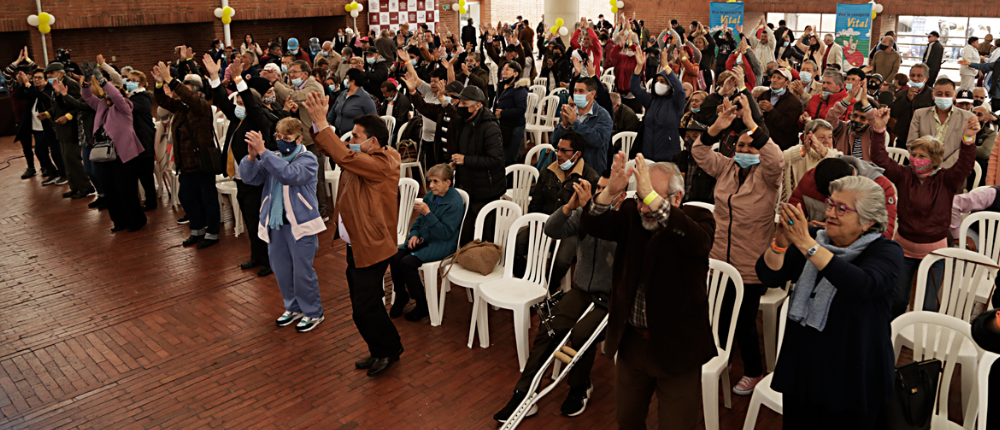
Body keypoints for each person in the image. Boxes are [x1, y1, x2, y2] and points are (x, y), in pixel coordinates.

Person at [580, 152, 716, 429]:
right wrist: (610, 191)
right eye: (640, 198)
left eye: (651, 198)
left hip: (677, 350)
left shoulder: (699, 219)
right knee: (627, 420)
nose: (643, 207)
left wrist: (651, 198)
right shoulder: (633, 214)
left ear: (676, 198)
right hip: (633, 344)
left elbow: (698, 243)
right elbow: (593, 223)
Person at [757, 175, 901, 429]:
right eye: (830, 204)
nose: (831, 213)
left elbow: (863, 284)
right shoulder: (815, 237)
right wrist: (780, 244)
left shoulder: (885, 251)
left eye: (842, 208)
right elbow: (770, 275)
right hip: (804, 361)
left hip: (852, 367)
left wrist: (806, 244)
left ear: (868, 221)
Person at [493, 171, 619, 423]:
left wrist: (595, 215)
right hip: (582, 290)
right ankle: (524, 392)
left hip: (610, 299)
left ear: (621, 194)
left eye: (608, 191)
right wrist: (570, 207)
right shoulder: (584, 213)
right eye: (598, 190)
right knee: (549, 325)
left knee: (582, 334)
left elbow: (612, 248)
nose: (600, 195)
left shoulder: (625, 222)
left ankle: (580, 386)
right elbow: (551, 229)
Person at [304, 93, 404, 376]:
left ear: (373, 141)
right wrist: (317, 123)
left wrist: (325, 123)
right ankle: (380, 349)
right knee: (364, 304)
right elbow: (332, 150)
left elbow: (342, 154)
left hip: (372, 245)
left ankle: (388, 349)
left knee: (365, 307)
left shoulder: (382, 162)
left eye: (357, 136)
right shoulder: (359, 155)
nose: (351, 140)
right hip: (357, 243)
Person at [692, 94, 783, 395]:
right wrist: (717, 127)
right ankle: (725, 359)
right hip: (719, 256)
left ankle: (755, 371)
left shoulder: (768, 178)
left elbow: (777, 159)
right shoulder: (726, 168)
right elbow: (699, 151)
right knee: (718, 313)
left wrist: (751, 124)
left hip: (751, 261)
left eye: (750, 147)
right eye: (741, 146)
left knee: (744, 321)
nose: (745, 150)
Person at [868, 106, 978, 318]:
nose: (916, 159)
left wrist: (968, 139)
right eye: (914, 154)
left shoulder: (947, 179)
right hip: (903, 247)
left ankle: (922, 346)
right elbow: (880, 159)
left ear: (936, 160)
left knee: (928, 305)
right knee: (897, 300)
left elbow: (965, 165)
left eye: (923, 155)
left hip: (936, 250)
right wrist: (880, 130)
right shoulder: (903, 174)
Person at [239, 119, 325, 333]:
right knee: (281, 270)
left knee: (302, 272)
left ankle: (313, 312)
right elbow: (249, 177)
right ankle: (293, 307)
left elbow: (288, 175)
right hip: (276, 224)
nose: (281, 142)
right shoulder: (273, 158)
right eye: (278, 137)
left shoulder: (308, 159)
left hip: (301, 225)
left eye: (287, 138)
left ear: (299, 139)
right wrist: (252, 156)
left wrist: (263, 152)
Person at [203, 54, 275, 277]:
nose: (239, 106)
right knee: (249, 219)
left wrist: (239, 81)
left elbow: (252, 106)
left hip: (257, 178)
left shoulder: (259, 117)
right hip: (241, 177)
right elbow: (223, 101)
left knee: (260, 220)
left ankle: (269, 260)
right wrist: (215, 77)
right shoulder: (238, 118)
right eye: (239, 103)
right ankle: (256, 255)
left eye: (243, 103)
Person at [152, 57, 222, 248]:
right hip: (186, 163)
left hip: (201, 162)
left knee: (208, 199)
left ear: (197, 92)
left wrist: (171, 80)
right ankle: (197, 230)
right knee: (187, 197)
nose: (181, 92)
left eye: (186, 88)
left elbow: (187, 96)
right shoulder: (182, 109)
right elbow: (162, 100)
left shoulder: (202, 107)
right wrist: (160, 82)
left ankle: (212, 233)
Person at [388, 164, 464, 322]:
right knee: (395, 257)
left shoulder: (454, 203)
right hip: (425, 238)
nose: (430, 185)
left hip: (442, 244)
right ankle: (402, 296)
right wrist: (414, 235)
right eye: (430, 181)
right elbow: (418, 222)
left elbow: (445, 234)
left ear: (447, 183)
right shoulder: (430, 196)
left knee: (408, 263)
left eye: (435, 181)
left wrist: (428, 213)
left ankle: (422, 305)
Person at [77, 62, 147, 232]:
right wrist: (87, 79)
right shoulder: (100, 105)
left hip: (123, 154)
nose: (106, 97)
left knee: (126, 189)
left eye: (109, 95)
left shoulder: (124, 107)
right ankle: (119, 221)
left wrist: (101, 80)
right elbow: (86, 96)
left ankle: (136, 220)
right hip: (103, 153)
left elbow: (116, 95)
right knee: (110, 190)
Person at [266, 59, 329, 220]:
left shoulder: (314, 86)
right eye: (290, 72)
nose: (291, 75)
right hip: (302, 138)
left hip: (313, 139)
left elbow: (293, 95)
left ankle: (321, 212)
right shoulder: (298, 85)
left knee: (316, 177)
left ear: (305, 74)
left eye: (294, 72)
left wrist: (274, 82)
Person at [42, 62, 93, 195]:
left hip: (71, 127)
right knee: (66, 159)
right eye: (47, 74)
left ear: (61, 72)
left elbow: (79, 104)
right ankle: (74, 187)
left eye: (51, 73)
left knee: (72, 158)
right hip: (61, 128)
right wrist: (48, 113)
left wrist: (68, 116)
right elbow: (57, 105)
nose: (49, 76)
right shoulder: (55, 84)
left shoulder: (70, 84)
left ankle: (85, 186)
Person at [907, 77, 976, 168]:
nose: (943, 97)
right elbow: (911, 143)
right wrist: (927, 164)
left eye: (947, 94)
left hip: (954, 169)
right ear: (933, 95)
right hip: (922, 167)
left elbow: (965, 148)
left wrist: (942, 168)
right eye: (939, 94)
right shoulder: (920, 114)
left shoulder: (968, 117)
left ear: (954, 96)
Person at [630, 48, 685, 162]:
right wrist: (639, 66)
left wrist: (666, 66)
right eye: (657, 81)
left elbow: (680, 90)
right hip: (647, 154)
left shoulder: (675, 102)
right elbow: (634, 88)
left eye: (663, 81)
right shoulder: (650, 99)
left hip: (668, 155)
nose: (659, 84)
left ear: (670, 85)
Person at [550, 77, 612, 174]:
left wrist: (575, 123)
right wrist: (564, 124)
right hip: (568, 168)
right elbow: (554, 142)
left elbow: (598, 140)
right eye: (575, 91)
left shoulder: (603, 116)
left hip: (591, 170)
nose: (577, 94)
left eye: (581, 91)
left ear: (592, 94)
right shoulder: (571, 112)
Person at [13, 68, 62, 183]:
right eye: (35, 78)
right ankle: (52, 172)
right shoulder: (32, 91)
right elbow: (20, 96)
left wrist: (27, 83)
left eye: (39, 78)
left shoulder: (50, 90)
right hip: (37, 128)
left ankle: (62, 173)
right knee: (40, 152)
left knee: (56, 152)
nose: (36, 80)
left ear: (46, 80)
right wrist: (21, 83)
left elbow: (41, 96)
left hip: (49, 127)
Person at [782, 119, 841, 202]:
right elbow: (782, 159)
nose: (827, 141)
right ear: (808, 138)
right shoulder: (799, 152)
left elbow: (840, 167)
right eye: (822, 137)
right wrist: (804, 150)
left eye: (830, 137)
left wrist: (824, 152)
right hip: (798, 203)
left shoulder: (836, 155)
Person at [492, 61, 529, 165]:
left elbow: (521, 109)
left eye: (507, 69)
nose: (504, 71)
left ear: (516, 73)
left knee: (510, 156)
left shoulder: (519, 88)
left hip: (515, 126)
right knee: (501, 153)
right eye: (503, 69)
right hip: (503, 124)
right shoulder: (502, 85)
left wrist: (503, 113)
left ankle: (511, 179)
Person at [889, 63, 934, 147]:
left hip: (924, 139)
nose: (915, 78)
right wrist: (907, 98)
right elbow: (894, 112)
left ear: (926, 78)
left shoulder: (932, 95)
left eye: (919, 76)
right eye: (912, 75)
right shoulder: (901, 94)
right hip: (903, 137)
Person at [758, 68, 804, 150]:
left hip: (781, 146)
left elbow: (789, 127)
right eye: (773, 77)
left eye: (779, 78)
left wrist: (771, 111)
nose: (774, 80)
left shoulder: (794, 102)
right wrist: (758, 108)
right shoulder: (764, 95)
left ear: (787, 82)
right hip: (762, 142)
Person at [328, 68, 378, 135]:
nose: (345, 80)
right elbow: (333, 110)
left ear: (353, 81)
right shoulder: (343, 93)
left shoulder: (365, 98)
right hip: (337, 134)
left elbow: (373, 119)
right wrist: (328, 122)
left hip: (353, 136)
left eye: (347, 78)